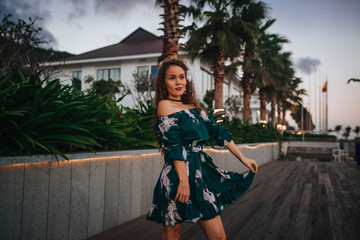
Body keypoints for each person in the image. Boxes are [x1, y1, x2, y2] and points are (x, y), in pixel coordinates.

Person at [146, 59, 258, 240]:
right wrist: (183, 181)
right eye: (172, 78)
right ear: (164, 83)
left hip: (200, 175)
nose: (178, 82)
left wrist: (242, 158)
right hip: (177, 175)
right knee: (173, 232)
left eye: (181, 77)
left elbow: (218, 131)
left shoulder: (195, 109)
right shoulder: (165, 105)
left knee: (219, 237)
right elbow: (174, 146)